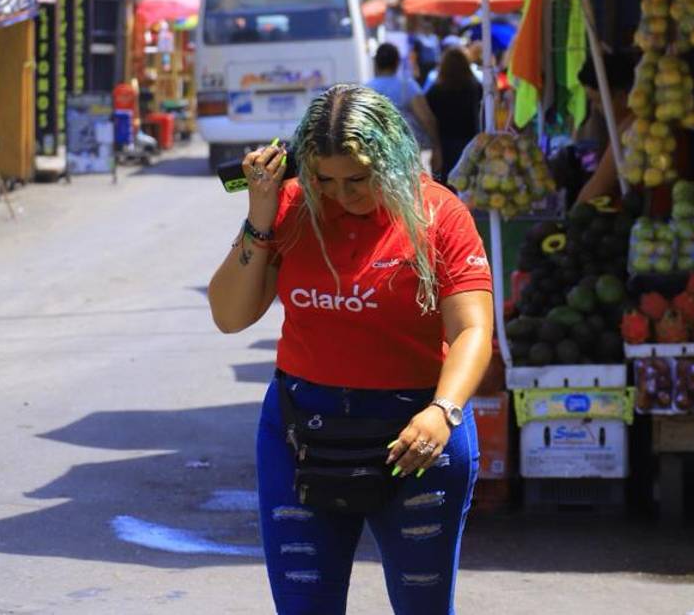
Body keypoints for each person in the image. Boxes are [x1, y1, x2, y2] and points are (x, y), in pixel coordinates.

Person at [208, 84, 494, 615]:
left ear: (390, 161)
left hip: (415, 437)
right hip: (301, 434)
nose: (341, 193)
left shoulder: (440, 215)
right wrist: (261, 213)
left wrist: (443, 411)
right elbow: (229, 315)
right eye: (323, 178)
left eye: (358, 179)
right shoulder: (292, 207)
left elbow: (473, 329)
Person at [367, 43, 443, 177]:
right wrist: (436, 147)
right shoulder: (407, 86)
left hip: (378, 154)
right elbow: (427, 118)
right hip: (408, 154)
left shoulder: (366, 89)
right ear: (397, 63)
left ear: (376, 63)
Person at [574, 51, 637, 204]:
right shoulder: (625, 126)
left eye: (597, 101)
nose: (595, 108)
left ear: (622, 97)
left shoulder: (630, 129)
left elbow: (598, 187)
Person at [425, 48, 484, 185]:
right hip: (470, 140)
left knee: (447, 183)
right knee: (469, 181)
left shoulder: (436, 91)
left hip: (444, 143)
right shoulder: (475, 87)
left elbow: (429, 116)